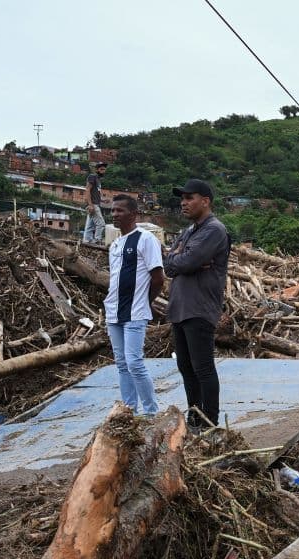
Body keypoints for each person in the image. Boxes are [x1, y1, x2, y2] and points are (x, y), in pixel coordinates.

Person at [165, 179, 231, 431]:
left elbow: (185, 262)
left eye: (189, 198)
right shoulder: (189, 231)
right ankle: (194, 417)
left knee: (202, 367)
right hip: (181, 308)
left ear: (205, 201)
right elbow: (170, 265)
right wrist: (180, 257)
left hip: (200, 307)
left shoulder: (214, 230)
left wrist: (183, 259)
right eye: (182, 198)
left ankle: (209, 423)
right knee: (185, 366)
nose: (183, 203)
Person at [104, 196, 164, 415]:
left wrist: (145, 302)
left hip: (136, 313)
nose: (115, 215)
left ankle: (150, 413)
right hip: (113, 312)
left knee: (134, 363)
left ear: (133, 214)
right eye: (113, 211)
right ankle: (130, 411)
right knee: (121, 364)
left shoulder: (146, 239)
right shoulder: (116, 244)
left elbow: (158, 278)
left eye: (120, 211)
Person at [83, 162, 108, 244]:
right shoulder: (92, 176)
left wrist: (103, 200)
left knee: (90, 225)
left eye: (104, 169)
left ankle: (87, 240)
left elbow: (95, 194)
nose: (103, 171)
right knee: (101, 224)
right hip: (93, 204)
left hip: (95, 203)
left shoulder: (98, 180)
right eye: (101, 169)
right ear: (97, 169)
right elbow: (87, 190)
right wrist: (90, 205)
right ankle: (97, 240)